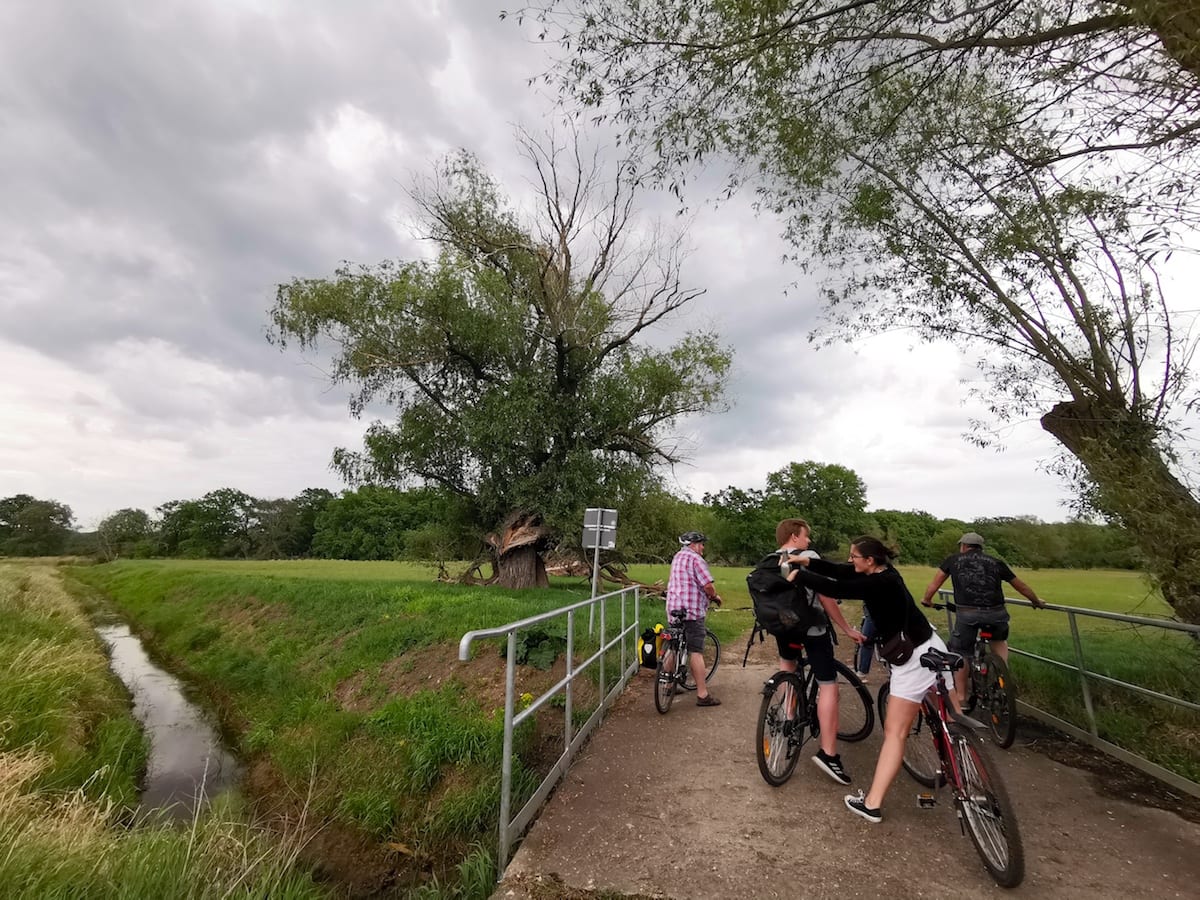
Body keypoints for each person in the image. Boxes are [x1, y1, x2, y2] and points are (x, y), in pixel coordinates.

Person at [790, 536, 947, 824]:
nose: (851, 561)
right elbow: (838, 570)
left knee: (895, 732)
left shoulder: (878, 584)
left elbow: (836, 587)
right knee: (948, 713)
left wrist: (800, 574)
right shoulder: (884, 572)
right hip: (931, 643)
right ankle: (964, 756)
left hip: (912, 659)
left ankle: (871, 804)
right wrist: (807, 560)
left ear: (869, 560)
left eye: (854, 556)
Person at [775, 518, 865, 785]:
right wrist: (847, 628)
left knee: (787, 667)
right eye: (806, 535)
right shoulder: (809, 557)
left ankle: (787, 718)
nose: (809, 541)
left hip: (784, 628)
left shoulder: (772, 558)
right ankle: (829, 755)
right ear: (794, 536)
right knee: (828, 686)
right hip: (813, 629)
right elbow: (825, 597)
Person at [921, 531, 1046, 706]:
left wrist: (927, 600)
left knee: (962, 652)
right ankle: (1003, 679)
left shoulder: (952, 560)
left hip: (968, 613)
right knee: (999, 641)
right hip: (997, 613)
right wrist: (1035, 601)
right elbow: (1021, 586)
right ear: (981, 548)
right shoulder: (995, 562)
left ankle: (962, 696)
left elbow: (935, 583)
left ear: (963, 546)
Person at [665, 531, 723, 707]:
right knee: (695, 651)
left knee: (673, 647)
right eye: (702, 544)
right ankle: (702, 694)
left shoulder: (677, 557)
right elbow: (707, 585)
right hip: (692, 611)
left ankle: (668, 685)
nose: (703, 547)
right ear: (694, 544)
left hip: (674, 608)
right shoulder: (696, 560)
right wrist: (714, 597)